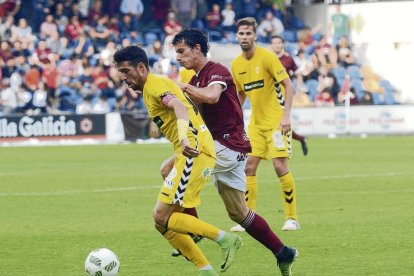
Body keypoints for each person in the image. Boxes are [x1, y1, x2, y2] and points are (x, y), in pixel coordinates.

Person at [169, 29, 298, 276]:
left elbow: (213, 96)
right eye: (176, 53)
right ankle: (283, 252)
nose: (178, 57)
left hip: (225, 146)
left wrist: (182, 87)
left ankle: (194, 232)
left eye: (182, 51)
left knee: (169, 169)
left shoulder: (216, 71)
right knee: (238, 212)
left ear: (197, 49)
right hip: (229, 148)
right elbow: (193, 109)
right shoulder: (196, 80)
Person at [113, 45, 242, 276]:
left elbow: (179, 106)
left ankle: (225, 239)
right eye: (120, 72)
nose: (123, 78)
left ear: (141, 67)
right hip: (192, 151)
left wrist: (184, 138)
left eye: (126, 71)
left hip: (194, 153)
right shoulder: (153, 86)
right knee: (161, 222)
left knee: (163, 216)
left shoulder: (154, 85)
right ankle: (206, 269)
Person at [231, 17, 300, 232]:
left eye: (248, 33)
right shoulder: (236, 65)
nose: (244, 37)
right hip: (256, 125)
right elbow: (240, 95)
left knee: (280, 167)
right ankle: (247, 219)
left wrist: (286, 116)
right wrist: (234, 120)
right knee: (248, 167)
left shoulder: (268, 57)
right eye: (241, 34)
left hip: (277, 123)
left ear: (255, 36)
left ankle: (292, 218)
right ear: (237, 36)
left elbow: (288, 86)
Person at [269, 35, 309, 156]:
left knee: (282, 123)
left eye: (279, 42)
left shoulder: (288, 59)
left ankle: (284, 152)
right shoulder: (268, 59)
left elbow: (298, 74)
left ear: (282, 44)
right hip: (270, 96)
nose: (277, 45)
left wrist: (300, 89)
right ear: (271, 45)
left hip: (284, 96)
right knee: (275, 124)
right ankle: (301, 138)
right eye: (274, 43)